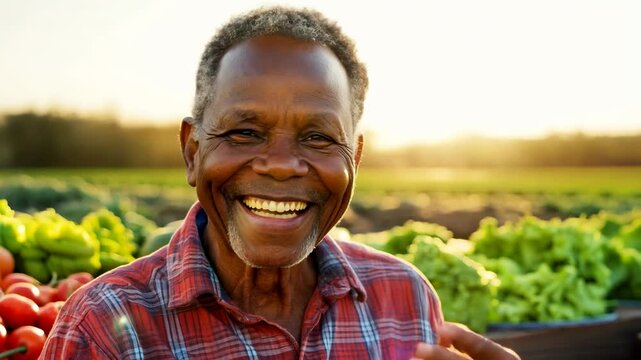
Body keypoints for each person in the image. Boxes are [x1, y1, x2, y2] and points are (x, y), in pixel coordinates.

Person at [41, 6, 519, 360]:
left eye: (318, 136)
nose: (282, 164)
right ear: (192, 152)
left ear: (355, 157)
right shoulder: (101, 328)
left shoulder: (404, 296)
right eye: (245, 132)